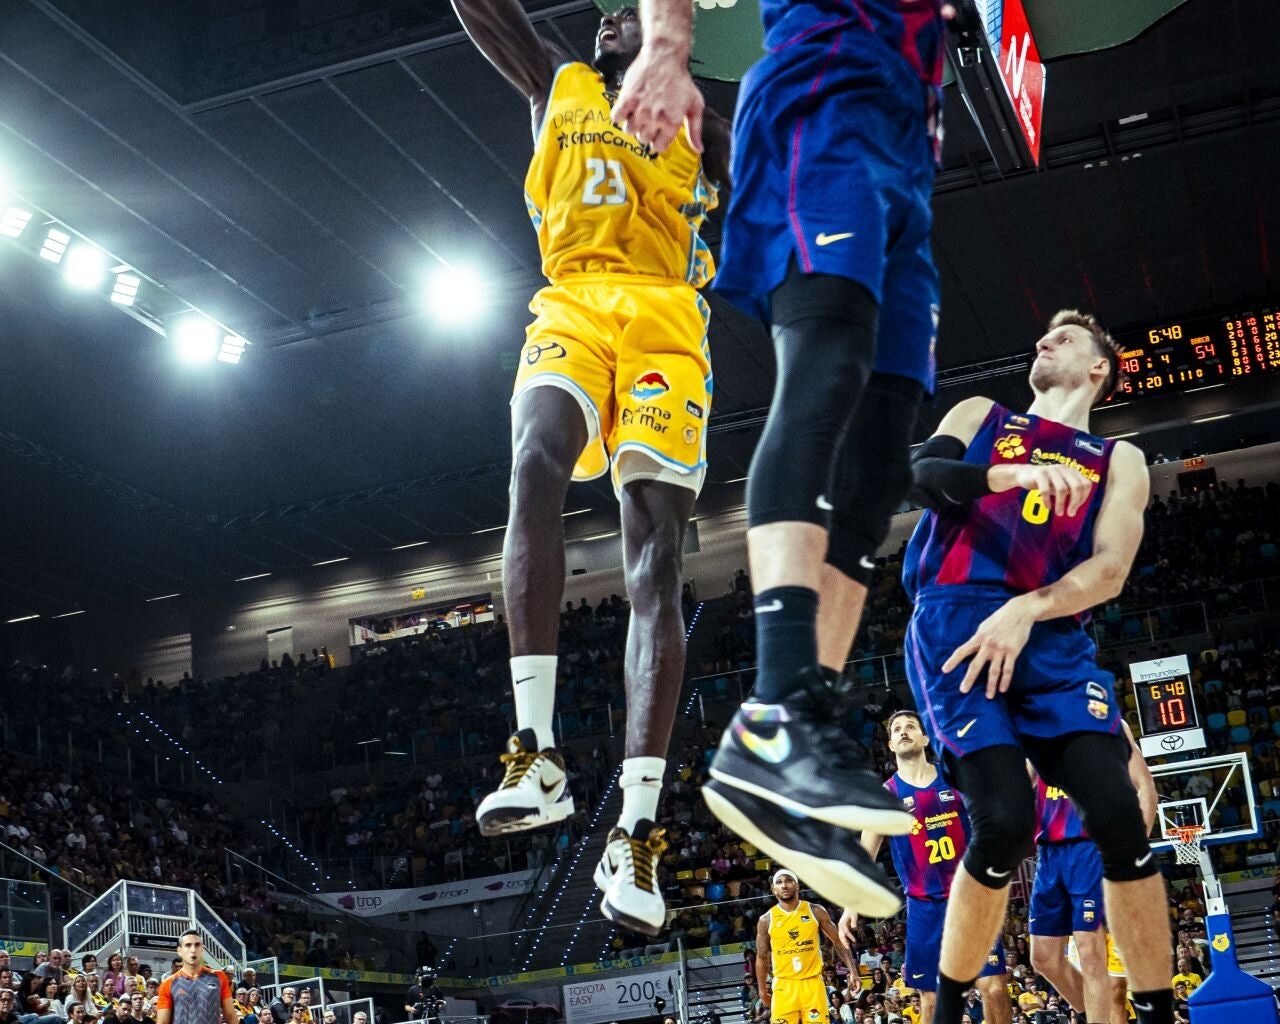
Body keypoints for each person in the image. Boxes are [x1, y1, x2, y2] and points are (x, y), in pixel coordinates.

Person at [613, 0, 952, 916]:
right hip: (823, 98)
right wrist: (665, 47)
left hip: (908, 148)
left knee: (882, 454)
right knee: (829, 361)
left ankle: (804, 746)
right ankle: (774, 713)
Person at [449, 0, 730, 936]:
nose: (616, 18)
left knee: (654, 558)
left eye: (633, 12)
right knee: (533, 462)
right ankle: (536, 750)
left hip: (665, 324)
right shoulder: (556, 84)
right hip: (571, 303)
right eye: (607, 12)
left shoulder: (700, 116)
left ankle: (638, 832)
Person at [898, 311, 1172, 1024]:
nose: (1045, 341)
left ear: (1099, 369)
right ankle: (948, 1013)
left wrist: (1029, 610)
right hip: (957, 616)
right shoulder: (984, 415)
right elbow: (924, 477)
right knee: (1003, 822)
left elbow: (1110, 570)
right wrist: (1007, 472)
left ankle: (1157, 1008)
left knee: (1116, 815)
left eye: (1066, 337)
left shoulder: (1120, 460)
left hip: (1049, 629)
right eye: (1043, 336)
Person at [839, 711, 1010, 1024]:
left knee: (994, 988)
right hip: (923, 907)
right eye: (898, 729)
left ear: (925, 738)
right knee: (931, 1000)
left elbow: (990, 822)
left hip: (970, 900)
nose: (904, 732)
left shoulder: (955, 777)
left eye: (911, 727)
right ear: (890, 744)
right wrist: (851, 906)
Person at [1028, 723, 1156, 1024]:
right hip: (1048, 852)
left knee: (1089, 952)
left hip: (1091, 847)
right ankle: (1095, 1015)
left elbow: (1144, 786)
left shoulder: (1105, 717)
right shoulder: (1033, 720)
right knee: (1043, 959)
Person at [756, 870, 856, 1024]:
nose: (784, 885)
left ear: (797, 885)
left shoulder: (816, 911)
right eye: (779, 882)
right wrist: (762, 990)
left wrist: (853, 971)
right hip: (784, 986)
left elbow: (839, 942)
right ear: (773, 890)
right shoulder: (766, 920)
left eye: (788, 880)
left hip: (812, 984)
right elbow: (762, 957)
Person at [154, 932, 238, 1024]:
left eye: (197, 945)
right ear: (179, 951)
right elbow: (162, 1022)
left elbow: (231, 1016)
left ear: (202, 949)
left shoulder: (219, 977)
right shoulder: (168, 984)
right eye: (188, 945)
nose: (193, 949)